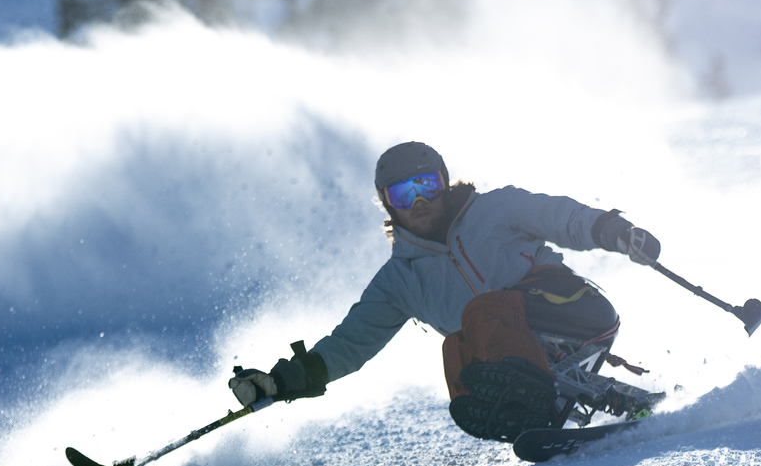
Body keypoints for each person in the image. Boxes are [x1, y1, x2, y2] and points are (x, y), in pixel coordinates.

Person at [229, 142, 662, 442]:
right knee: (457, 352)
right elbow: (350, 343)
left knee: (483, 315)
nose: (419, 201)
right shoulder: (399, 280)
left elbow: (560, 216)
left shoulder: (495, 209)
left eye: (427, 186)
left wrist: (613, 231)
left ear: (444, 182)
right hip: (525, 356)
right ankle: (545, 414)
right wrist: (281, 381)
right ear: (388, 203)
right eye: (404, 194)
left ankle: (541, 400)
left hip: (574, 312)